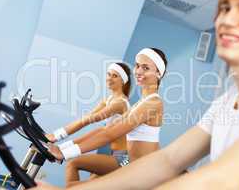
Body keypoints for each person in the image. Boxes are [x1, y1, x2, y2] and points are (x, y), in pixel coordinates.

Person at [32, 0, 239, 189]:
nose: (227, 19)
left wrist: (64, 149)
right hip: (128, 160)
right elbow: (167, 161)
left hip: (127, 160)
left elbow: (223, 180)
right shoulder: (228, 101)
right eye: (225, 8)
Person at [47, 47, 168, 187]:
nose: (139, 71)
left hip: (142, 173)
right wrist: (63, 148)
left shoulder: (153, 103)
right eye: (137, 65)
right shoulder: (141, 103)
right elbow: (105, 130)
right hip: (135, 169)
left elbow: (109, 134)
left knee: (75, 183)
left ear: (158, 73)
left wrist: (65, 153)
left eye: (146, 68)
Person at [46, 62, 131, 187]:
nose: (109, 78)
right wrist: (62, 146)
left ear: (123, 81)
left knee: (73, 163)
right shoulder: (109, 100)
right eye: (108, 74)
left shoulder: (120, 104)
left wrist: (56, 137)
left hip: (123, 159)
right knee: (86, 185)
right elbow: (87, 120)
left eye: (115, 76)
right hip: (114, 156)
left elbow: (89, 120)